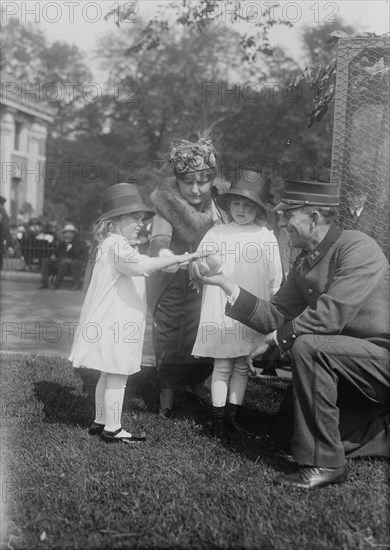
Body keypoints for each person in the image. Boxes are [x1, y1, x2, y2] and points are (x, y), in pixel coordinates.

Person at [191, 179, 390, 489]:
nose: (281, 223)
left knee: (309, 347)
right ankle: (379, 431)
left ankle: (326, 465)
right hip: (347, 365)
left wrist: (277, 340)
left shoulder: (357, 246)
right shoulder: (305, 263)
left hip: (379, 363)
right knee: (289, 432)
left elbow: (330, 316)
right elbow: (276, 315)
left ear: (313, 218)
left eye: (288, 215)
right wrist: (225, 283)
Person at [69, 183, 200, 443]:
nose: (141, 224)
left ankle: (100, 420)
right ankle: (113, 428)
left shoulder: (113, 244)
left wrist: (177, 264)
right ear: (114, 221)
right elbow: (143, 266)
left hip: (110, 320)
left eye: (141, 219)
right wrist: (181, 257)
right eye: (134, 218)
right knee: (117, 376)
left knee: (108, 374)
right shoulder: (117, 246)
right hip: (115, 323)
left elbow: (145, 266)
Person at [191, 170, 283, 438]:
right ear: (228, 206)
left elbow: (275, 276)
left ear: (258, 209)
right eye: (237, 204)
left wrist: (274, 305)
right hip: (221, 306)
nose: (241, 210)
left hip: (251, 307)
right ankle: (217, 417)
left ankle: (233, 415)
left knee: (243, 364)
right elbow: (199, 260)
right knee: (222, 363)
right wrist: (200, 265)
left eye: (248, 205)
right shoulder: (218, 232)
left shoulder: (266, 236)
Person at [147, 135, 221, 419]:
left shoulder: (218, 204)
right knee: (169, 333)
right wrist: (164, 254)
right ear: (177, 180)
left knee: (201, 328)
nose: (195, 189)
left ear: (212, 178)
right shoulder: (167, 205)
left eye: (202, 181)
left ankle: (196, 383)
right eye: (187, 182)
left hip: (205, 278)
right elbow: (159, 238)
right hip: (171, 280)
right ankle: (167, 393)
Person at [53, 223, 85, 290]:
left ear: (73, 234)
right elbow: (58, 253)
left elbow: (78, 254)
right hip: (65, 261)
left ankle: (77, 284)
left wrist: (70, 246)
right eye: (65, 233)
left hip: (78, 260)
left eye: (69, 233)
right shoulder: (62, 242)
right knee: (64, 263)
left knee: (71, 263)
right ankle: (57, 284)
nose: (66, 235)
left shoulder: (79, 242)